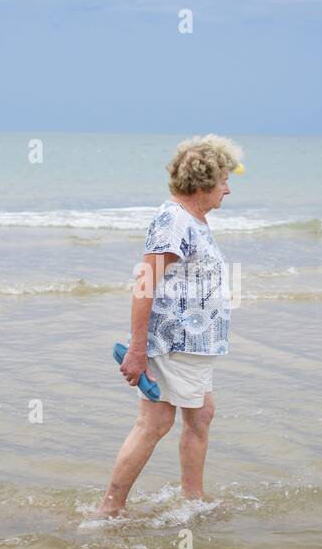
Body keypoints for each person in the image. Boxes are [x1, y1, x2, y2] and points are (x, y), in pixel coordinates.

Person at [96, 134, 242, 517]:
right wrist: (138, 349)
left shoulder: (193, 220)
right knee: (155, 421)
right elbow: (145, 283)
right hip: (175, 342)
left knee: (200, 414)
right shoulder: (173, 220)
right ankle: (110, 507)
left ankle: (192, 500)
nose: (228, 189)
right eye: (224, 180)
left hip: (193, 343)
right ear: (203, 182)